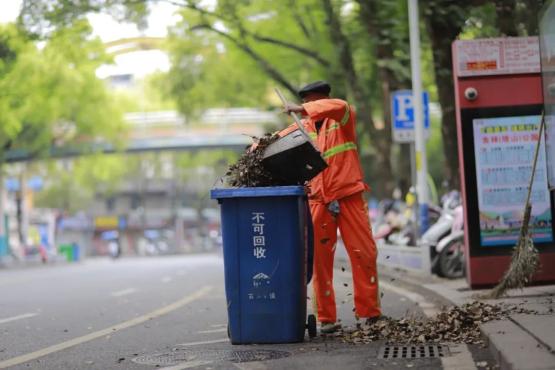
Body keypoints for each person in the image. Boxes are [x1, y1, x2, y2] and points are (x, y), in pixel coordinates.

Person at [283, 80, 381, 333]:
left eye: (312, 102)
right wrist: (253, 149)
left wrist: (304, 109)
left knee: (364, 254)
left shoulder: (342, 118)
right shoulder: (299, 129)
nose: (308, 106)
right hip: (318, 200)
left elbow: (340, 106)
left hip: (349, 195)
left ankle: (370, 313)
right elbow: (273, 143)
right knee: (319, 262)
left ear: (322, 100)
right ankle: (327, 319)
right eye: (305, 102)